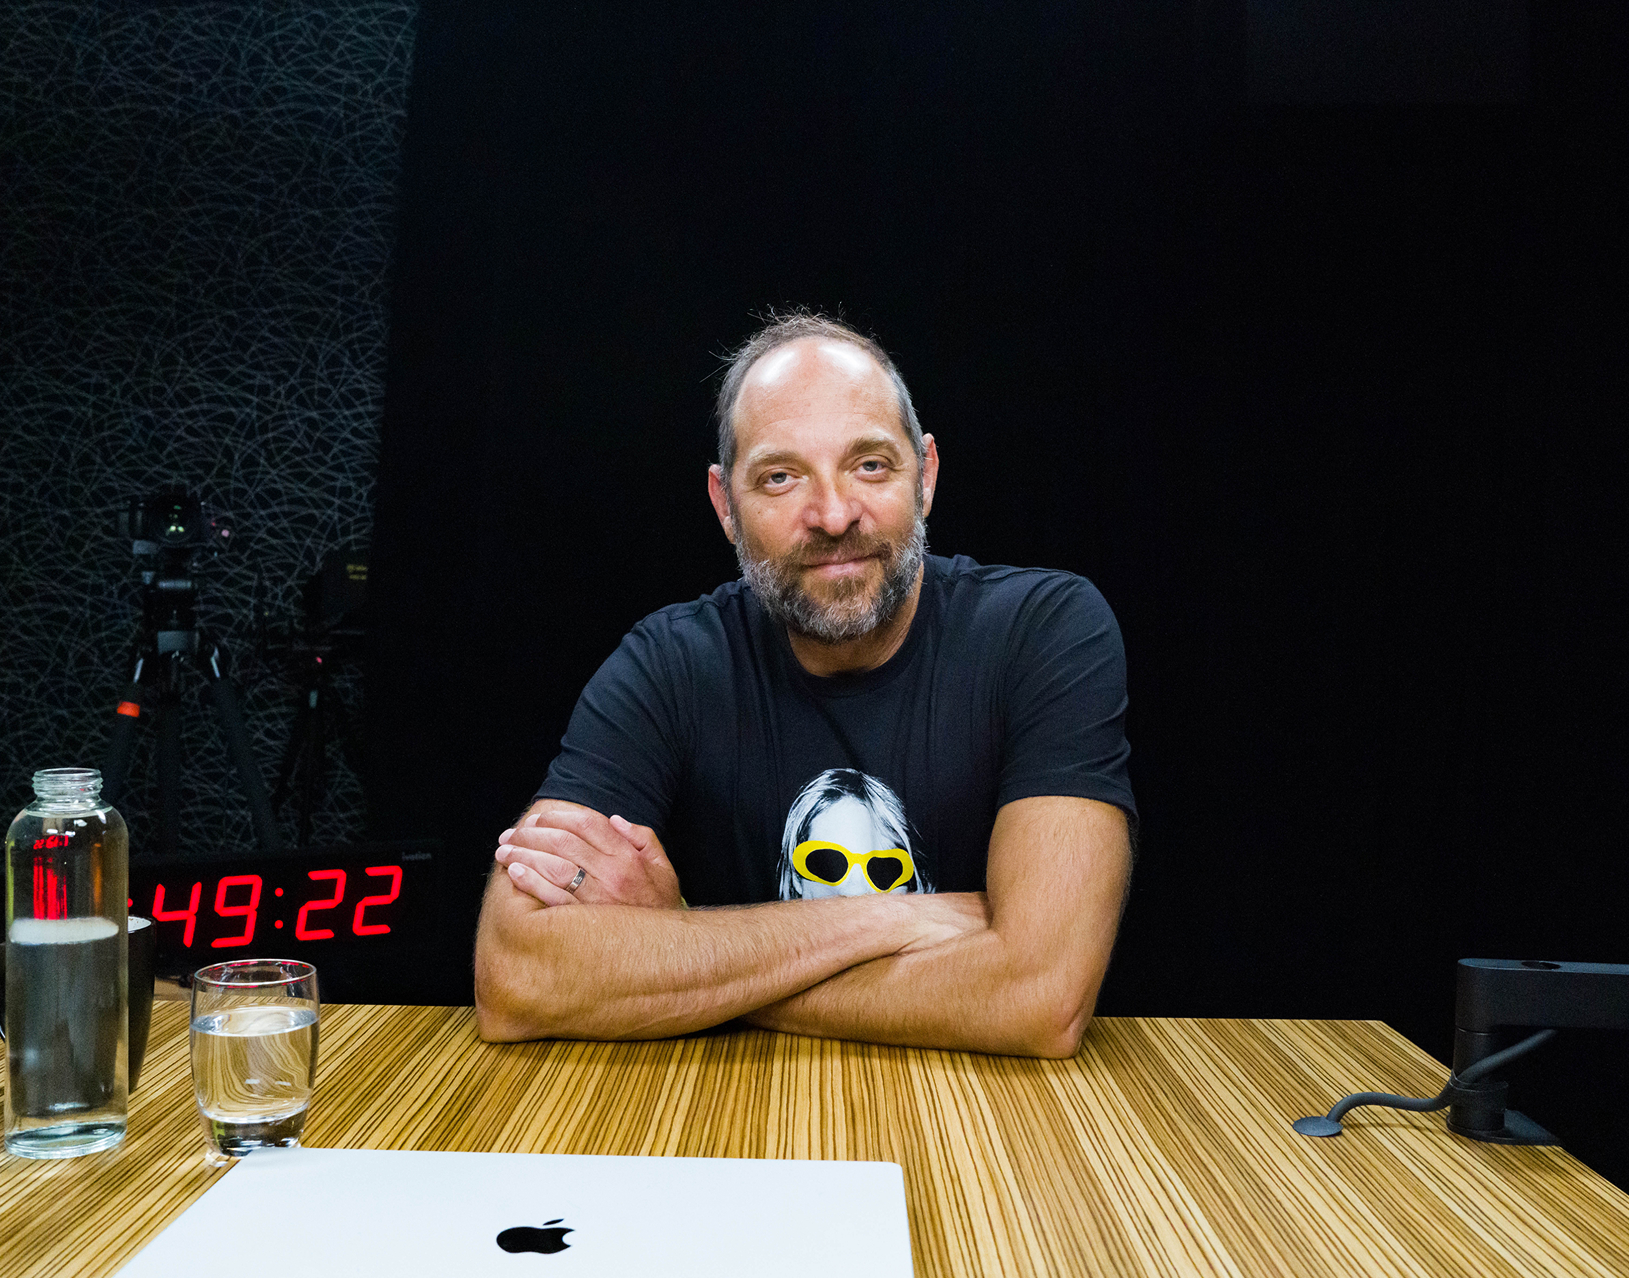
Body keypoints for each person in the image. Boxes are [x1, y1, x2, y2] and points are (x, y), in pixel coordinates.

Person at [473, 311, 1134, 1058]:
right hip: (740, 1126)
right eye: (782, 477)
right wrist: (903, 922)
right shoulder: (670, 662)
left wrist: (678, 955)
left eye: (871, 465)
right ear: (726, 506)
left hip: (997, 1129)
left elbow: (1038, 997)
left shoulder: (1045, 631)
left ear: (927, 476)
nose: (833, 515)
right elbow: (518, 975)